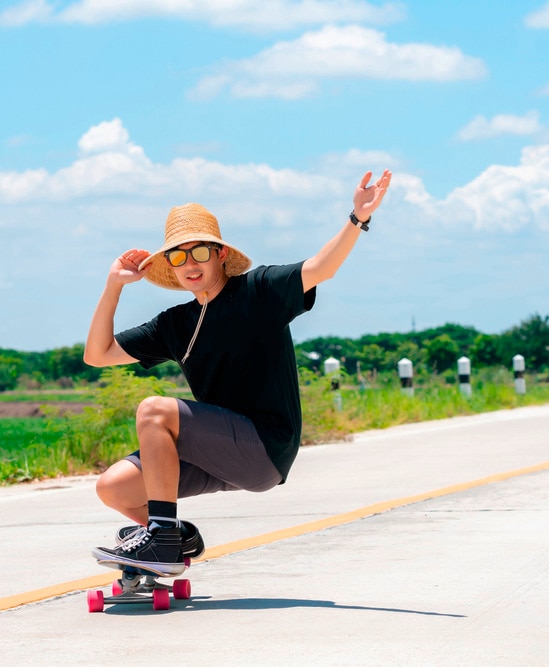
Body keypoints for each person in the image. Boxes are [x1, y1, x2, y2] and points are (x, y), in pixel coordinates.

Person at [86, 170, 392, 575]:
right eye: (178, 256)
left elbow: (322, 267)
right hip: (219, 453)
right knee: (112, 488)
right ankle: (175, 536)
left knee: (154, 410)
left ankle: (160, 540)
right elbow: (98, 354)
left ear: (221, 254)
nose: (189, 264)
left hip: (265, 444)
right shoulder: (175, 324)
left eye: (199, 252)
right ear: (171, 268)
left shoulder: (259, 291)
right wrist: (114, 285)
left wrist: (357, 219)